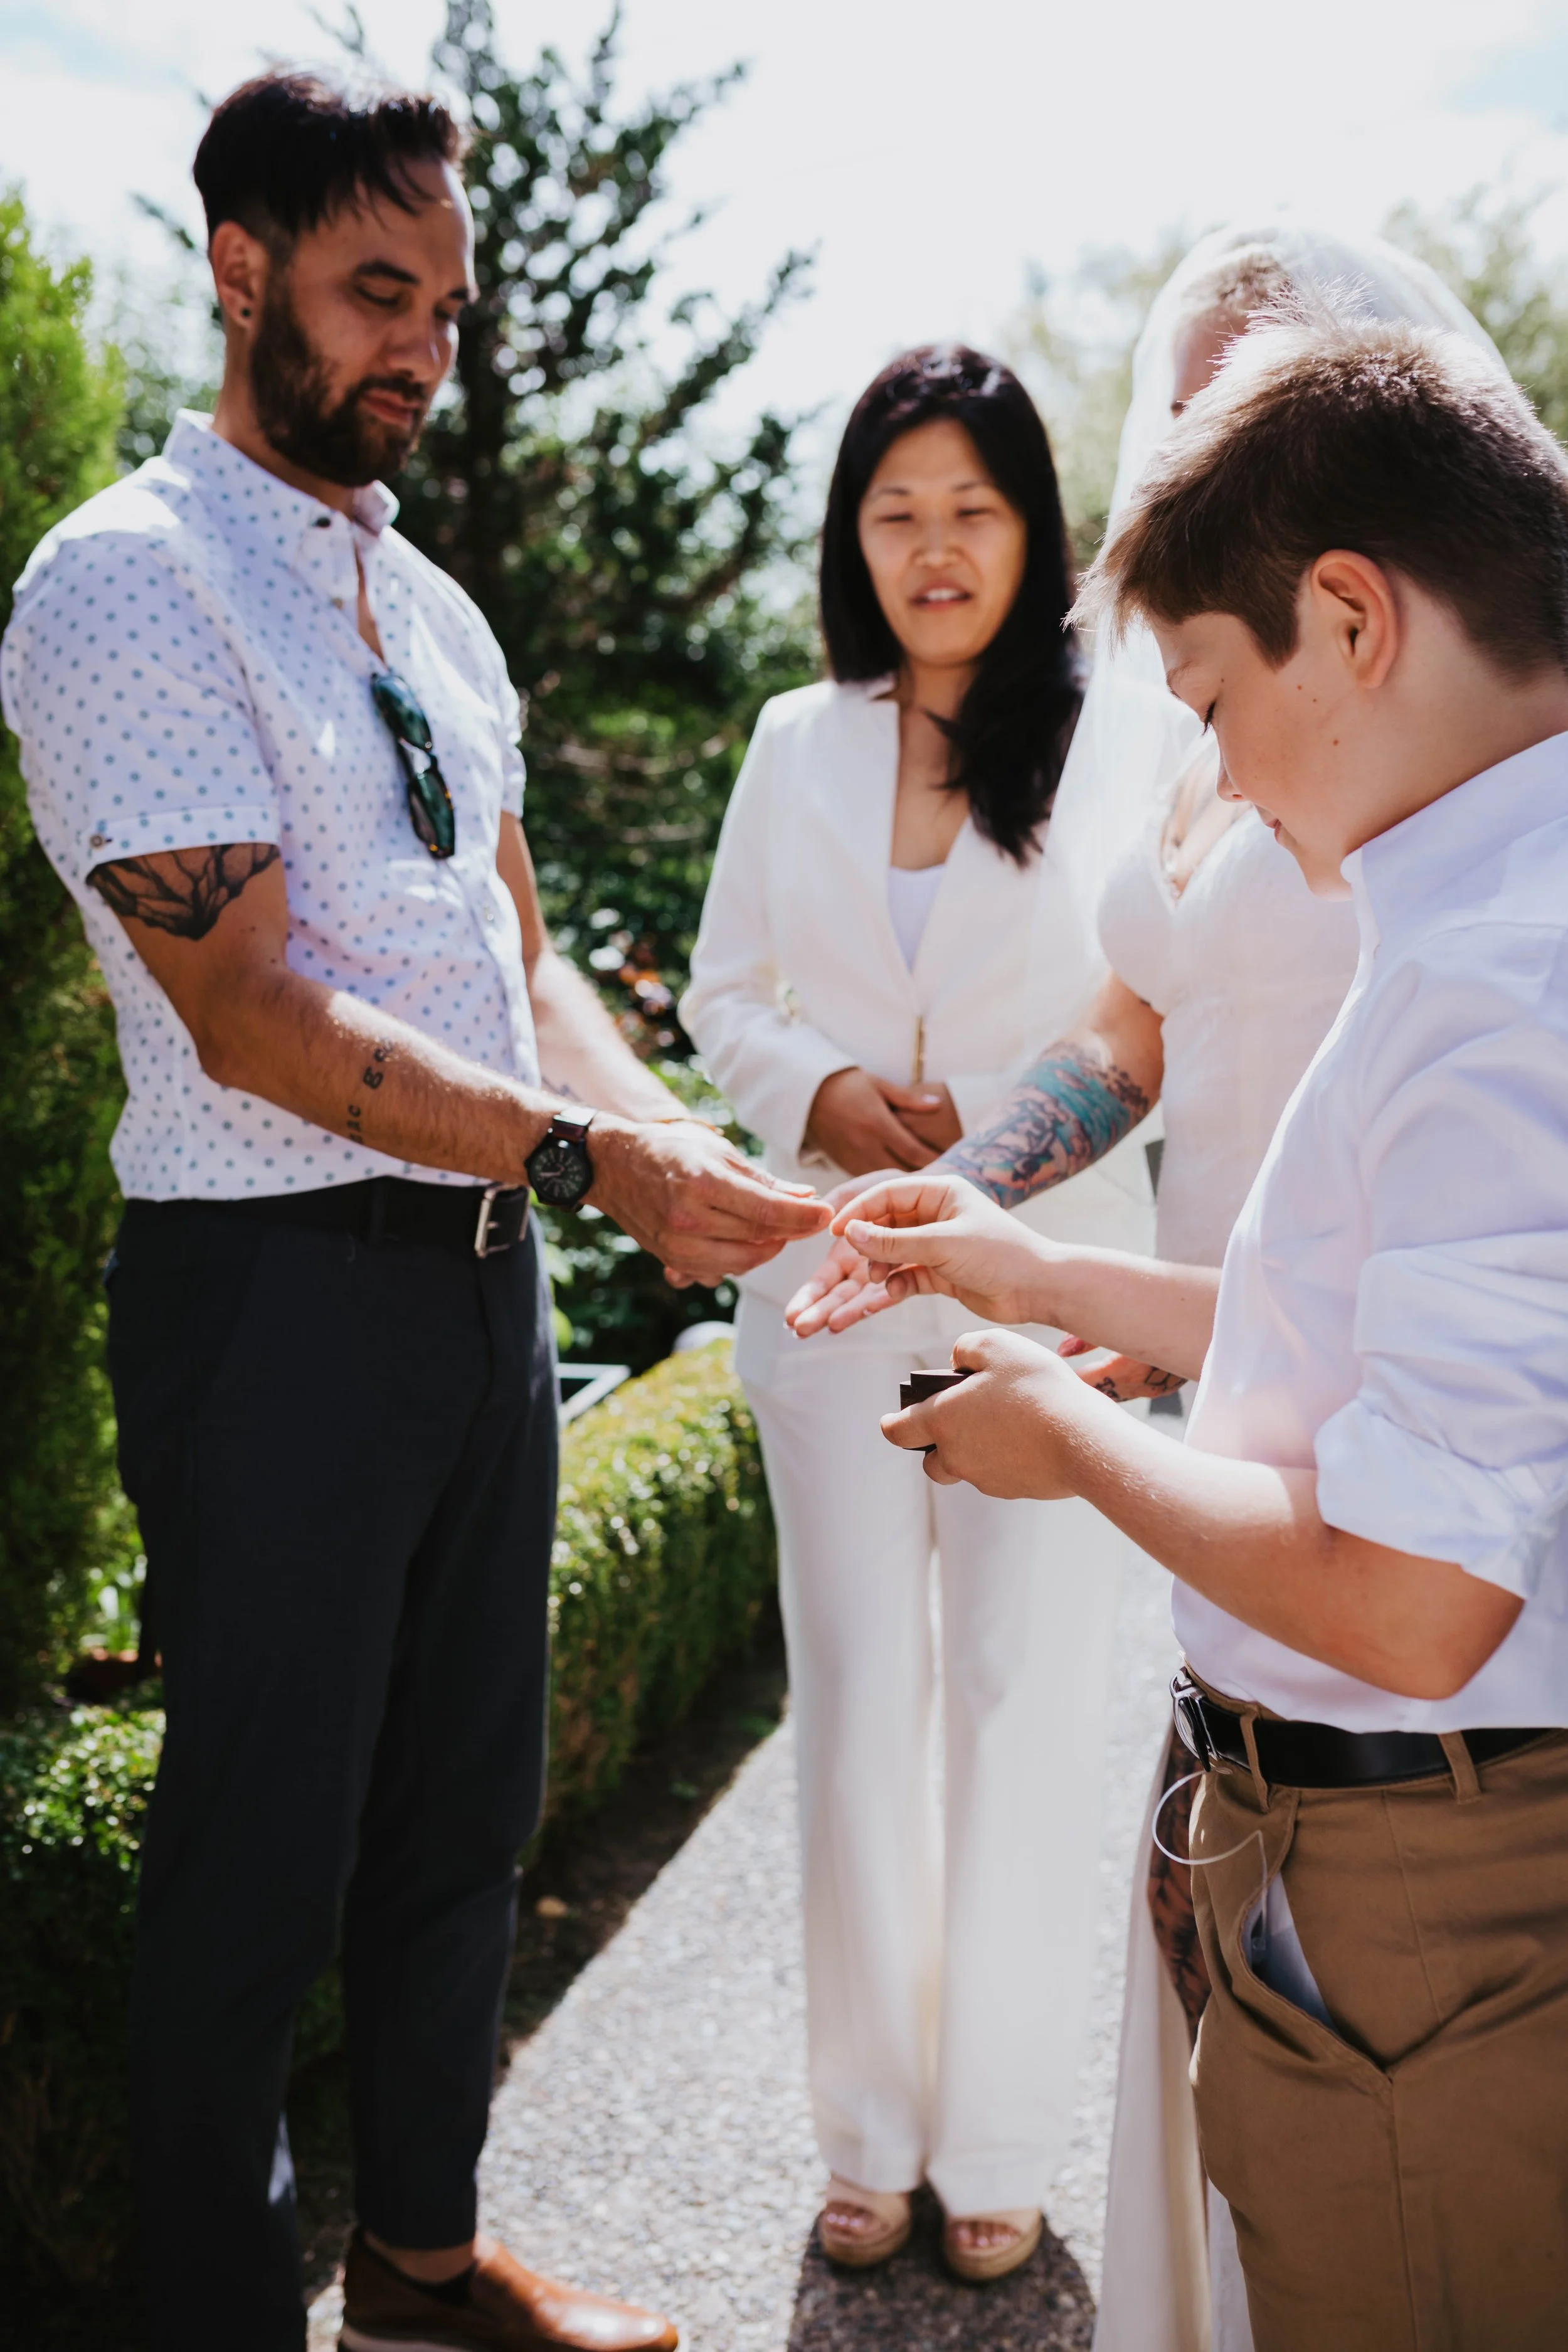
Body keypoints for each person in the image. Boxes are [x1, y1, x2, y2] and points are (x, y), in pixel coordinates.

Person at [0, 72, 831, 2352]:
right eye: (379, 297)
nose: (420, 354)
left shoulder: (435, 611)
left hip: (473, 1299)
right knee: (254, 1867)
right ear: (238, 264)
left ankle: (423, 2269)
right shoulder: (123, 582)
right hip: (266, 1301)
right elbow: (255, 1015)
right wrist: (594, 1167)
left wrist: (686, 1160)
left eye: (446, 312)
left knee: (463, 1816)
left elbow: (521, 958)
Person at [808, 308, 1568, 2351]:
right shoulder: (1479, 916)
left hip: (1425, 1871)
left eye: (1212, 700)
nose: (1209, 774)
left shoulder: (1495, 976)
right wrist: (1042, 1272)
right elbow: (1360, 1331)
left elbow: (1415, 1605)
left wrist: (1061, 1432)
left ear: (1347, 617)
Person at [679, 347, 1155, 2280]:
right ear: (848, 536)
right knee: (860, 1700)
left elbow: (1154, 1005)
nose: (932, 547)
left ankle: (998, 2142)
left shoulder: (1123, 731)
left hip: (1040, 1293)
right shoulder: (794, 735)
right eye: (894, 511)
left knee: (1027, 1703)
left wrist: (989, 1156)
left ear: (1033, 526)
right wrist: (816, 1091)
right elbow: (720, 988)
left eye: (970, 508)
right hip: (826, 1287)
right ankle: (865, 2133)